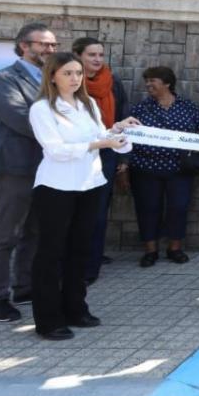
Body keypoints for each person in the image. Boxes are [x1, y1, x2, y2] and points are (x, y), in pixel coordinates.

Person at [27, 52, 135, 340]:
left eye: (78, 73)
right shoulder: (42, 109)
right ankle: (48, 320)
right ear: (52, 77)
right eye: (67, 73)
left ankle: (75, 308)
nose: (75, 78)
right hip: (56, 188)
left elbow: (101, 137)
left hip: (89, 184)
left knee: (80, 250)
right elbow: (56, 150)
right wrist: (101, 143)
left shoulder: (88, 105)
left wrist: (118, 130)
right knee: (51, 253)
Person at [0, 22, 57, 323]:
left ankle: (24, 287)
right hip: (13, 168)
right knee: (5, 235)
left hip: (46, 169)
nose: (50, 50)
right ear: (24, 46)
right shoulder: (1, 80)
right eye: (44, 44)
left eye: (53, 45)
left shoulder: (53, 81)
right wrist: (66, 133)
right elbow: (21, 120)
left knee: (35, 231)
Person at [127, 66, 199, 268]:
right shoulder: (140, 108)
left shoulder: (188, 106)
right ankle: (150, 251)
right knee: (147, 208)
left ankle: (175, 249)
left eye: (152, 80)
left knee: (178, 208)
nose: (148, 84)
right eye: (146, 81)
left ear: (167, 83)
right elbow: (127, 135)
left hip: (180, 169)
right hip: (145, 168)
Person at [71, 36, 128, 284]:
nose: (97, 59)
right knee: (73, 211)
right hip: (74, 153)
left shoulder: (113, 82)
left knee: (97, 212)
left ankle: (89, 268)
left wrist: (124, 157)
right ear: (78, 56)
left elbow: (123, 118)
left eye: (100, 55)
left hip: (106, 153)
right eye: (91, 55)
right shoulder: (69, 83)